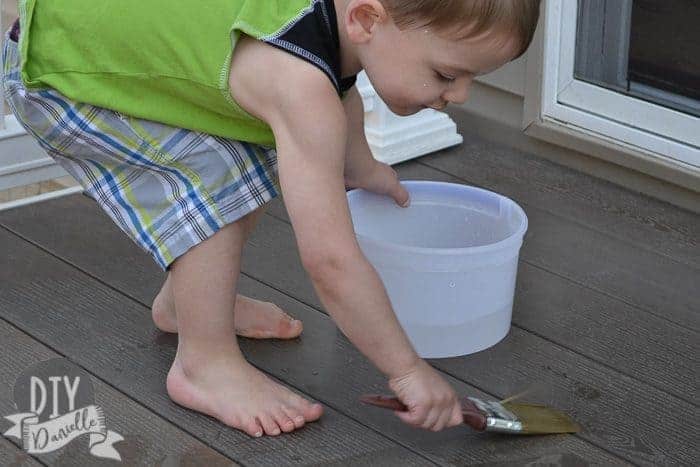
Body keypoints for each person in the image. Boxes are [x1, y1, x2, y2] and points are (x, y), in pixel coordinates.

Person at [2, 0, 540, 438]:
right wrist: (407, 370)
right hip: (61, 72)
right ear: (366, 19)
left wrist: (361, 166)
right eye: (447, 73)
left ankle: (187, 304)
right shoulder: (298, 84)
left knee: (258, 149)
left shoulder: (335, 29)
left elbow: (338, 80)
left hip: (92, 36)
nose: (460, 95)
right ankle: (203, 365)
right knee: (216, 175)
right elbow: (331, 261)